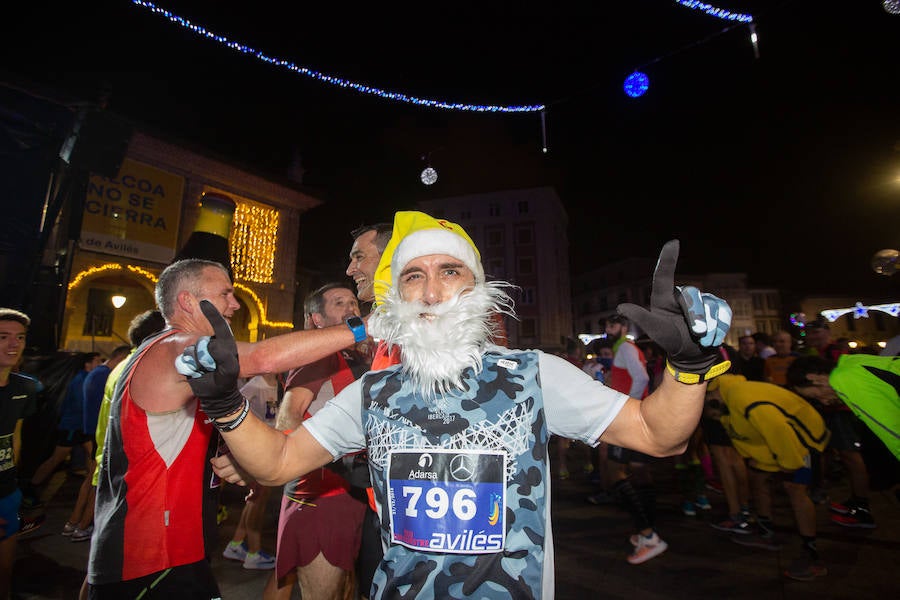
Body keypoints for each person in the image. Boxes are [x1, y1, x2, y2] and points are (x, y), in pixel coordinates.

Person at [195, 211, 733, 599]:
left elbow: (660, 435)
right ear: (398, 298)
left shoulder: (533, 376)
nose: (431, 291)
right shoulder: (375, 392)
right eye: (414, 275)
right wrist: (223, 404)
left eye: (449, 271)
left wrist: (689, 367)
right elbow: (279, 463)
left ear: (476, 287)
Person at [86, 258, 370, 598]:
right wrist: (366, 325)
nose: (235, 304)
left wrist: (233, 461)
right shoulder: (174, 347)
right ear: (188, 302)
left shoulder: (183, 363)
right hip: (151, 555)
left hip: (172, 551)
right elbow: (258, 359)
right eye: (226, 294)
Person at [263, 283, 370, 600]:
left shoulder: (350, 355)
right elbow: (289, 416)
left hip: (341, 488)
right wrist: (315, 464)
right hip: (322, 490)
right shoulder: (320, 354)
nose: (352, 307)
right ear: (317, 320)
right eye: (339, 303)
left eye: (353, 301)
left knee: (291, 576)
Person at [704, 374, 830, 581]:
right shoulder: (728, 401)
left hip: (802, 443)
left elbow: (778, 427)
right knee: (757, 478)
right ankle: (765, 531)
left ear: (711, 394)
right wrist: (759, 458)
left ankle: (812, 554)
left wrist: (789, 465)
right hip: (779, 443)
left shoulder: (741, 398)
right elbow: (749, 432)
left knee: (796, 491)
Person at [787, 354, 898, 524]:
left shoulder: (844, 379)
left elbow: (893, 432)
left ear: (813, 378)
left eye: (816, 396)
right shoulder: (851, 364)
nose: (823, 402)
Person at [596, 314, 668, 564]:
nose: (608, 329)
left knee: (615, 473)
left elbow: (642, 378)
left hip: (629, 417)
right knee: (640, 474)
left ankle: (648, 536)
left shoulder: (625, 347)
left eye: (612, 325)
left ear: (624, 327)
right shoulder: (626, 348)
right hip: (639, 416)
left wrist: (628, 406)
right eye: (606, 325)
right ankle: (646, 531)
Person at [63, 345, 131, 542]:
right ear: (121, 357)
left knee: (90, 480)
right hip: (98, 436)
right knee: (97, 482)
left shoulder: (97, 374)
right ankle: (83, 526)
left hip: (92, 433)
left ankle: (73, 522)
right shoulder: (106, 374)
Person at [23, 351, 102, 506]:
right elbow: (82, 405)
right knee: (56, 459)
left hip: (82, 427)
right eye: (97, 362)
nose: (100, 365)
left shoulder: (86, 378)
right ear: (88, 364)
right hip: (72, 427)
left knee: (93, 459)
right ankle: (29, 489)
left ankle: (91, 492)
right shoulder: (81, 380)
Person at [0, 308, 41, 600]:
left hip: (7, 492)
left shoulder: (24, 388)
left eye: (20, 337)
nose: (13, 344)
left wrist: (15, 483)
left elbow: (15, 437)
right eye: (3, 337)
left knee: (4, 575)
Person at [221, 373, 280, 570]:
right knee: (257, 499)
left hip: (271, 446)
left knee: (256, 498)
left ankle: (236, 544)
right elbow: (233, 405)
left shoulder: (278, 383)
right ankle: (253, 553)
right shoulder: (256, 383)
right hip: (258, 448)